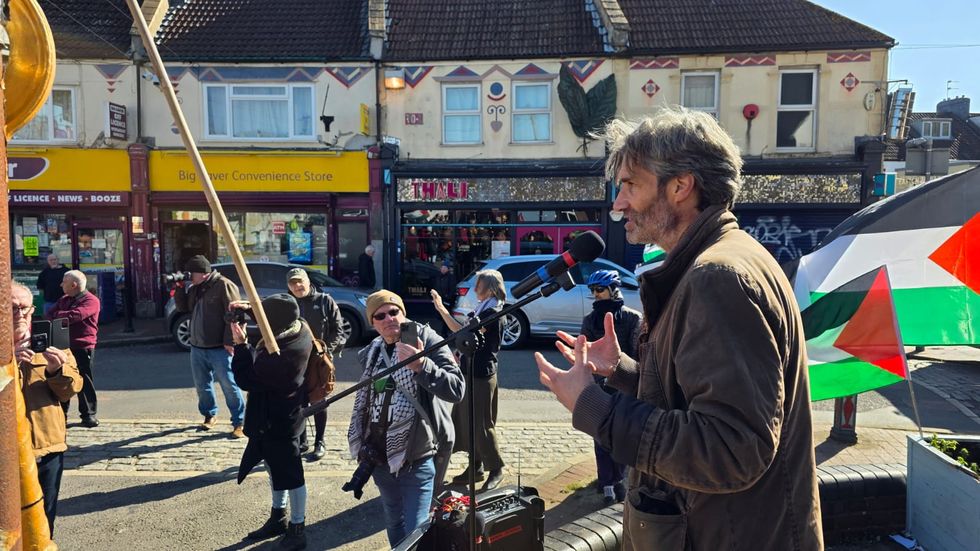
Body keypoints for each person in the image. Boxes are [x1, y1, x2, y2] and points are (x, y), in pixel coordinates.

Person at [535, 108, 823, 550]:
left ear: (680, 186)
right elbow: (699, 400)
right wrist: (625, 372)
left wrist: (595, 407)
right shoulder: (723, 259)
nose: (618, 203)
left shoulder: (717, 277)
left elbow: (731, 448)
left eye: (630, 184)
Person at [347, 290, 463, 547]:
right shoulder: (372, 352)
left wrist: (422, 365)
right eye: (380, 315)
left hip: (417, 456)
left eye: (394, 312)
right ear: (373, 322)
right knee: (394, 521)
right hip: (379, 457)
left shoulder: (429, 341)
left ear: (403, 313)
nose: (389, 318)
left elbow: (456, 389)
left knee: (417, 529)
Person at [231, 294, 313, 550]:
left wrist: (241, 345)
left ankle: (297, 529)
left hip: (279, 421)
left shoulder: (283, 355)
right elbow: (275, 319)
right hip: (282, 415)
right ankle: (279, 517)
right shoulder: (301, 328)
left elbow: (246, 379)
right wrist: (249, 310)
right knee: (274, 469)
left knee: (291, 475)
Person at [13, 280, 83, 536]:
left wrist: (57, 370)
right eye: (11, 309)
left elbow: (72, 388)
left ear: (33, 311)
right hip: (7, 454)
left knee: (43, 522)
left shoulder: (53, 343)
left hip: (46, 448)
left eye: (25, 309)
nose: (20, 314)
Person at [430, 270, 506, 491]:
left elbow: (461, 333)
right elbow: (461, 334)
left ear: (491, 288)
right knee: (464, 421)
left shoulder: (493, 312)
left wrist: (443, 310)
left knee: (481, 424)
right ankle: (475, 467)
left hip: (482, 375)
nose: (474, 289)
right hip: (470, 371)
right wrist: (442, 309)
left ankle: (496, 468)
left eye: (478, 285)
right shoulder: (484, 309)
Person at [580, 270, 641, 505]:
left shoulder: (632, 318)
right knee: (600, 437)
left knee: (623, 436)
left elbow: (638, 355)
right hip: (598, 388)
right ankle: (606, 483)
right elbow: (583, 353)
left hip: (625, 387)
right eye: (593, 291)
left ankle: (620, 479)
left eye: (600, 290)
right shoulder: (589, 320)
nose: (596, 295)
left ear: (613, 290)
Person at [173, 255, 246, 437]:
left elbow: (234, 314)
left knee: (229, 385)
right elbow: (183, 308)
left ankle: (240, 422)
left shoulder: (223, 285)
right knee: (202, 385)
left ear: (203, 273)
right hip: (198, 346)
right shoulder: (196, 288)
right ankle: (209, 415)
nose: (189, 276)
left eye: (192, 273)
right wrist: (180, 289)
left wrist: (230, 341)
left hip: (219, 347)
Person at [285, 267, 346, 461]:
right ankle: (301, 440)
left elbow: (339, 330)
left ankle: (320, 441)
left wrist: (326, 350)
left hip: (318, 360)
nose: (297, 286)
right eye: (293, 283)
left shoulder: (324, 300)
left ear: (308, 281)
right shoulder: (286, 303)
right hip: (294, 360)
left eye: (300, 281)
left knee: (318, 401)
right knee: (297, 401)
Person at [46, 270, 101, 428]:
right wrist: (61, 315)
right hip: (63, 345)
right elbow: (50, 314)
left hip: (82, 346)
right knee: (63, 380)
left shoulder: (91, 300)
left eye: (64, 281)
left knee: (84, 380)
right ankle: (62, 414)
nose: (61, 284)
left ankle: (88, 415)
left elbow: (74, 316)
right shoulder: (64, 299)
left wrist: (60, 315)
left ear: (74, 284)